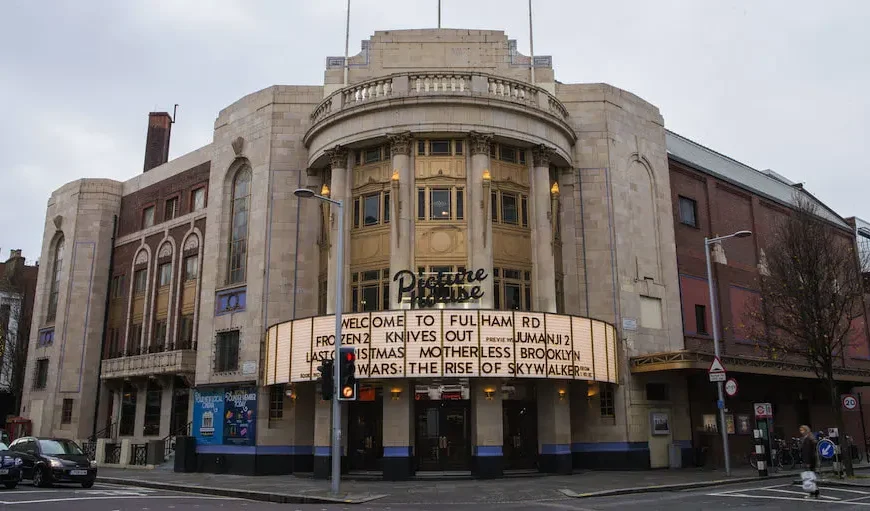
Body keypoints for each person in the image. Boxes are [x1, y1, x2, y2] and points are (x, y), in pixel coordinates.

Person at [800, 425, 820, 499]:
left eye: (802, 430)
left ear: (806, 430)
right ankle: (814, 492)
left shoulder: (808, 439)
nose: (801, 432)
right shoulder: (808, 438)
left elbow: (808, 452)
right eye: (800, 430)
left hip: (809, 460)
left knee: (809, 477)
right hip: (811, 460)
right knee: (811, 477)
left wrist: (807, 462)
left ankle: (813, 492)